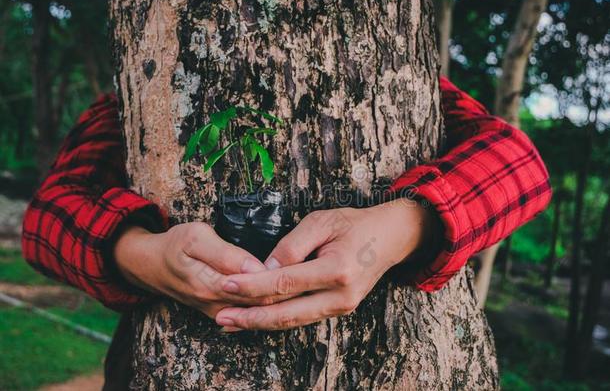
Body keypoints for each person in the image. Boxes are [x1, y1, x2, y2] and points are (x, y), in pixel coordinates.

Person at [22, 77, 551, 331]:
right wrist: (136, 255)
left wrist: (407, 223)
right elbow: (46, 215)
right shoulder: (137, 86)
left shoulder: (404, 78)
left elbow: (521, 165)